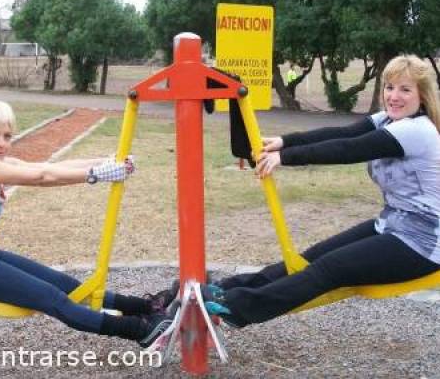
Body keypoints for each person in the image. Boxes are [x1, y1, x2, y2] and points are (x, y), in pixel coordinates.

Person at [162, 54, 440, 328]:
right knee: (307, 259)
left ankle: (234, 306)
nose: (394, 96)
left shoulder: (417, 131)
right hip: (392, 224)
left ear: (422, 97)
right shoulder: (388, 120)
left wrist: (286, 158)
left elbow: (348, 150)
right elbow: (339, 135)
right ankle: (224, 289)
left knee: (330, 269)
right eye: (390, 87)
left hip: (423, 243)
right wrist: (285, 142)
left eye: (405, 90)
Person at [0, 99, 174, 347]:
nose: (2, 143)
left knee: (67, 285)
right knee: (51, 297)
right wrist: (97, 175)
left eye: (7, 136)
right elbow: (41, 177)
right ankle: (141, 330)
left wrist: (107, 161)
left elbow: (50, 167)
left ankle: (146, 307)